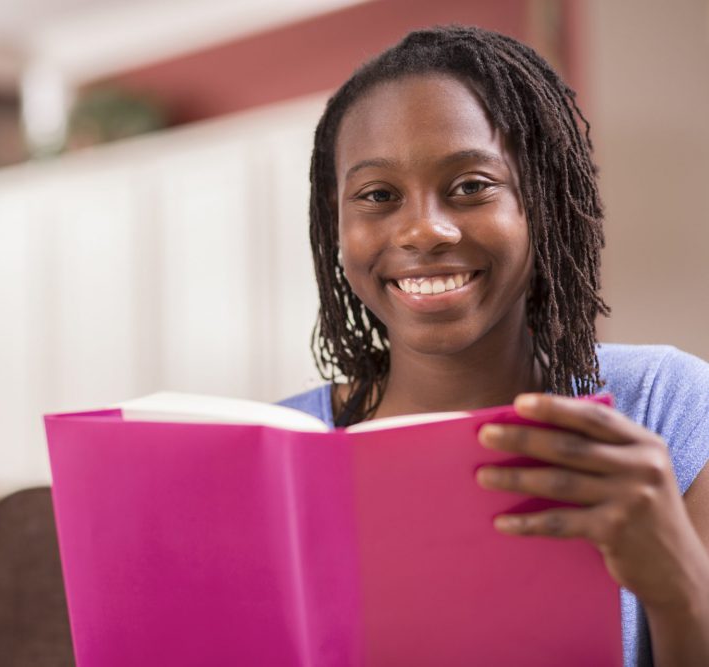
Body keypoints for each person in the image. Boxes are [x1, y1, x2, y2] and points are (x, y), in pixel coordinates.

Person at [280, 25, 709, 666]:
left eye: (472, 185)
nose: (424, 229)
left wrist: (676, 584)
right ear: (333, 225)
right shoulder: (282, 448)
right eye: (377, 196)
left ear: (543, 202)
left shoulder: (663, 408)